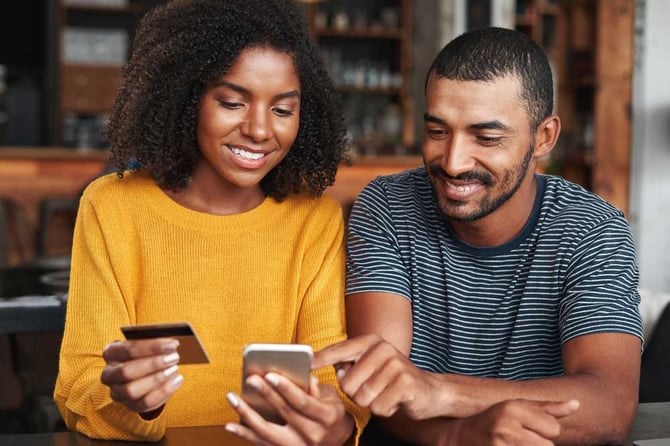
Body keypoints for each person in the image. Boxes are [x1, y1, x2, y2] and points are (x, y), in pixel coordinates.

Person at [53, 0, 369, 444]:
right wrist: (135, 401)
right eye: (233, 102)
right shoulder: (113, 207)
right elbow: (78, 388)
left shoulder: (314, 219)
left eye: (282, 110)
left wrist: (335, 423)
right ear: (186, 99)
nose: (260, 130)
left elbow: (328, 377)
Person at [314, 27, 643, 446]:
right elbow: (379, 388)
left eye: (486, 138)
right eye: (437, 131)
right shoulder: (387, 205)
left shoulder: (592, 230)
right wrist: (463, 435)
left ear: (543, 137)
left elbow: (610, 405)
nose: (452, 162)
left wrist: (441, 391)